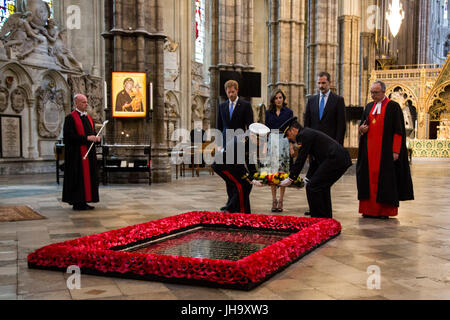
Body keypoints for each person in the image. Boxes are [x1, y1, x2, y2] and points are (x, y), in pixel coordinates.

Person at [356, 81, 414, 219]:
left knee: (386, 181)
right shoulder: (369, 106)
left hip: (385, 152)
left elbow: (398, 131)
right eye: (371, 92)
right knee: (368, 180)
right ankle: (368, 210)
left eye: (375, 92)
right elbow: (363, 125)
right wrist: (361, 129)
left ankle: (384, 211)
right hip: (369, 152)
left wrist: (396, 151)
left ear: (383, 92)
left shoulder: (393, 107)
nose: (372, 95)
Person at [278, 117, 352, 219]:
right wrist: (307, 178)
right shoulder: (307, 133)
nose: (288, 138)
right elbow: (314, 159)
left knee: (312, 187)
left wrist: (291, 178)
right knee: (321, 187)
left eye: (288, 134)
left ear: (293, 130)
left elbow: (301, 158)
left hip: (335, 159)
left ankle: (317, 219)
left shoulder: (302, 135)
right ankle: (326, 219)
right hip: (339, 158)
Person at [212, 123, 268, 214]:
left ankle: (234, 208)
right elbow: (239, 166)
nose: (261, 143)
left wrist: (255, 175)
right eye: (260, 141)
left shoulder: (251, 142)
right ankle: (237, 211)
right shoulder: (240, 142)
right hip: (222, 165)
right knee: (240, 185)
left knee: (246, 184)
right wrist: (251, 179)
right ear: (253, 136)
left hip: (232, 164)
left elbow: (249, 161)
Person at [216, 79, 254, 211]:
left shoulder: (245, 105)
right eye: (228, 92)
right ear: (226, 92)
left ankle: (237, 202)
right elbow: (219, 127)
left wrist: (248, 141)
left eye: (233, 92)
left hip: (240, 141)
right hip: (226, 141)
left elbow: (249, 126)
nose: (231, 94)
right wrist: (219, 144)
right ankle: (230, 202)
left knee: (237, 172)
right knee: (229, 175)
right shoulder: (222, 106)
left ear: (237, 91)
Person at [62, 94, 100, 211]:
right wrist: (87, 139)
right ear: (76, 103)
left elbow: (92, 133)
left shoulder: (89, 118)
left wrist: (96, 138)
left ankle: (85, 200)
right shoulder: (70, 118)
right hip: (77, 156)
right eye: (83, 102)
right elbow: (69, 137)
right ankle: (77, 202)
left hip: (89, 154)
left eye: (86, 102)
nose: (86, 104)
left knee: (89, 177)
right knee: (78, 179)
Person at [262, 89, 293, 212]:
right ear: (273, 100)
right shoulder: (268, 112)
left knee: (283, 172)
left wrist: (291, 145)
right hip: (272, 140)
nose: (278, 100)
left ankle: (281, 200)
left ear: (283, 99)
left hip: (284, 140)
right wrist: (264, 146)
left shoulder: (289, 112)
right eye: (276, 98)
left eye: (280, 97)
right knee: (273, 172)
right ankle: (273, 200)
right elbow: (266, 130)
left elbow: (291, 130)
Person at [304, 72, 346, 145]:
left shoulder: (338, 100)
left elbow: (341, 125)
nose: (321, 86)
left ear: (329, 83)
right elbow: (307, 124)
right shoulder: (311, 100)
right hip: (314, 143)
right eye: (319, 83)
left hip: (331, 144)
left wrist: (338, 145)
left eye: (323, 83)